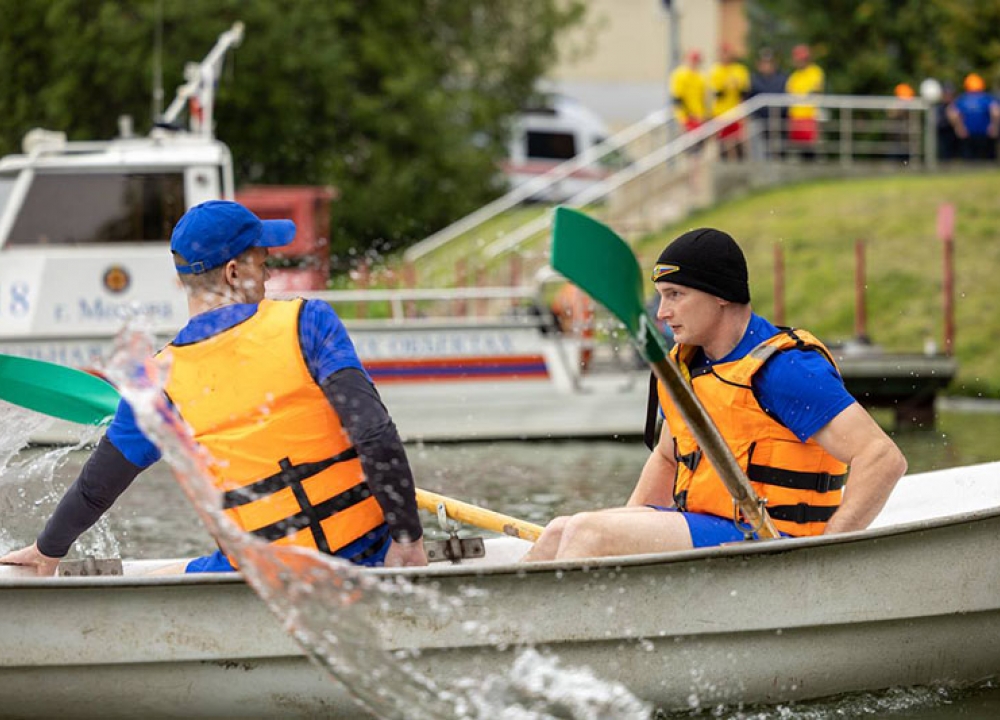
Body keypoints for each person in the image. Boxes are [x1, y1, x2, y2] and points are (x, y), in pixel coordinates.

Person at [0, 200, 427, 575]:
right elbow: (373, 433)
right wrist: (408, 538)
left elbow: (95, 490)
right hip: (367, 555)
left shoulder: (155, 383)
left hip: (264, 577)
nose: (270, 273)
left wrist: (47, 550)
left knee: (161, 576)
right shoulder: (309, 323)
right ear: (234, 271)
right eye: (263, 262)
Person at [524, 227, 907, 562]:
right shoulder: (684, 366)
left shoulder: (785, 370)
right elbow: (667, 458)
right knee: (563, 529)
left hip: (775, 545)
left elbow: (882, 458)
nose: (661, 313)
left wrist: (831, 553)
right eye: (660, 296)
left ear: (720, 295)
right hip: (711, 532)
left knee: (588, 534)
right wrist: (627, 532)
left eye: (675, 295)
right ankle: (519, 639)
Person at [708, 43, 751, 160]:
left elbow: (744, 92)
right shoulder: (715, 70)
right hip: (720, 112)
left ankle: (740, 171)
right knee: (722, 145)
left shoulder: (739, 69)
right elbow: (717, 93)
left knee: (738, 143)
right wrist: (729, 84)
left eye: (726, 52)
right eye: (722, 53)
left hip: (736, 112)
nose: (724, 56)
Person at [946, 73, 1000, 161]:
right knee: (987, 163)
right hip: (985, 135)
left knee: (969, 164)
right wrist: (994, 126)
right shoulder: (987, 98)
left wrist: (959, 127)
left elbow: (952, 112)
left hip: (968, 135)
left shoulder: (962, 99)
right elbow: (996, 112)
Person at [785, 44, 825, 160]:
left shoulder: (815, 71)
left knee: (811, 150)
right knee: (798, 150)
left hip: (810, 116)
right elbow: (790, 95)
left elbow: (815, 91)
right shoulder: (794, 76)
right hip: (795, 117)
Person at [747, 47, 788, 161]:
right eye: (763, 62)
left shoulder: (782, 79)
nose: (766, 65)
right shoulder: (754, 79)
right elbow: (749, 100)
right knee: (758, 150)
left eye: (769, 62)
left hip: (777, 121)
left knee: (777, 150)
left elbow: (785, 100)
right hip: (759, 120)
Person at [670, 49, 709, 136]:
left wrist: (703, 115)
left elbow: (703, 98)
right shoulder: (680, 75)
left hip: (698, 116)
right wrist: (685, 117)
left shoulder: (701, 76)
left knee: (698, 145)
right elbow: (678, 99)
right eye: (692, 60)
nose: (694, 64)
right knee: (686, 143)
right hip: (685, 116)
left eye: (696, 61)